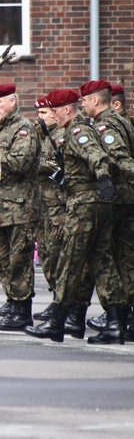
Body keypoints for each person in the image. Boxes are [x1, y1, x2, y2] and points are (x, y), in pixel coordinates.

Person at [24, 87, 126, 344]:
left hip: (85, 205)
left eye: (55, 111)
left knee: (70, 261)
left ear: (67, 109)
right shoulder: (73, 131)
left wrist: (103, 178)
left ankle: (57, 321)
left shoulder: (78, 131)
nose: (52, 116)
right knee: (102, 262)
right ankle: (115, 324)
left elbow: (96, 155)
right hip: (94, 203)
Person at [75, 80, 134, 341]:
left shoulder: (106, 124)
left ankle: (118, 321)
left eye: (85, 101)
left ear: (95, 101)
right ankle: (123, 320)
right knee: (125, 259)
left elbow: (121, 159)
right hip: (125, 198)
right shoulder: (122, 121)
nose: (83, 105)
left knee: (109, 258)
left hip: (117, 199)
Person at [0, 84, 41, 331]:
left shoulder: (23, 128)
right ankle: (12, 301)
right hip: (0, 208)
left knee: (19, 260)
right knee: (3, 262)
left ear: (12, 103)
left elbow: (21, 163)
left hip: (20, 207)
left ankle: (22, 310)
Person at [32, 96, 67, 321]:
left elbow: (59, 164)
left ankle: (64, 303)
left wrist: (34, 163)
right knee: (45, 253)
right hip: (43, 204)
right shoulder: (43, 136)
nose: (40, 118)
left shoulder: (62, 135)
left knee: (58, 253)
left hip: (58, 204)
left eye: (44, 113)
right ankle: (56, 298)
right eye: (40, 114)